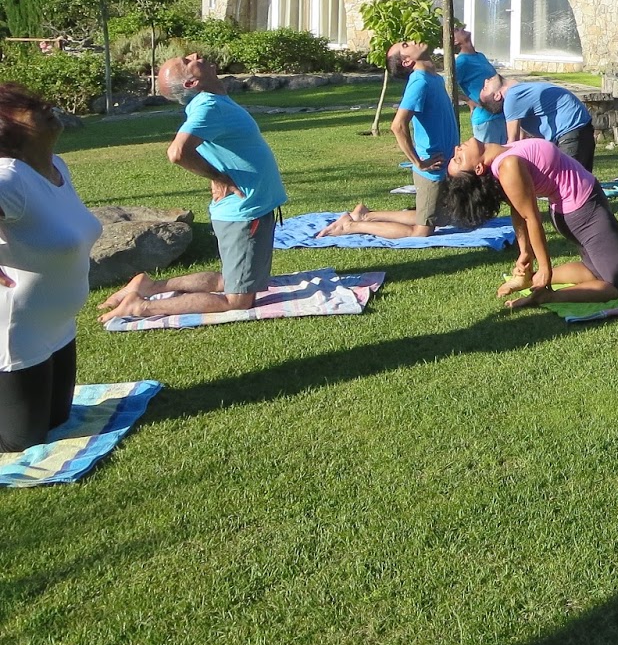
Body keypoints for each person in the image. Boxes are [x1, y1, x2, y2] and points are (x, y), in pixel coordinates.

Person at [99, 52, 289, 321]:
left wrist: (217, 174)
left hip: (246, 209)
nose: (194, 55)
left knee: (231, 280)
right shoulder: (209, 106)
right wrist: (220, 178)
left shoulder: (211, 103)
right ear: (190, 83)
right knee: (238, 300)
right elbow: (177, 152)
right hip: (245, 212)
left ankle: (149, 287)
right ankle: (140, 307)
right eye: (186, 62)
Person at [0, 84, 102, 452]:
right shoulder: (10, 177)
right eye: (29, 107)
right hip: (16, 330)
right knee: (20, 442)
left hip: (59, 326)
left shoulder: (57, 166)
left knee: (58, 420)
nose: (47, 107)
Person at [441, 137, 618, 307]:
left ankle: (530, 280)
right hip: (584, 212)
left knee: (595, 270)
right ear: (478, 168)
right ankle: (546, 296)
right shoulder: (508, 166)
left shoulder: (503, 154)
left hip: (579, 208)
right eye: (459, 159)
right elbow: (529, 217)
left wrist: (525, 254)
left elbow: (517, 210)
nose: (458, 148)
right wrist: (544, 267)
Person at [315, 41, 457, 239]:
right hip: (432, 167)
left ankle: (365, 216)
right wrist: (419, 163)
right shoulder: (419, 82)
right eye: (405, 45)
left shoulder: (433, 78)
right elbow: (397, 126)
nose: (413, 41)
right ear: (407, 61)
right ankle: (350, 226)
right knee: (421, 232)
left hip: (445, 163)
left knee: (440, 218)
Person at [478, 75, 594, 170]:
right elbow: (515, 140)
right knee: (579, 183)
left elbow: (513, 141)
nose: (486, 80)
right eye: (485, 88)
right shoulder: (512, 97)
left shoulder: (515, 93)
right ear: (497, 96)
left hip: (572, 129)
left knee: (573, 183)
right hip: (575, 129)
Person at [452, 28, 504, 143]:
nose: (461, 28)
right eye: (456, 30)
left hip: (501, 114)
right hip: (485, 119)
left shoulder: (480, 56)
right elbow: (446, 86)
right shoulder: (461, 62)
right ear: (455, 41)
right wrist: (469, 101)